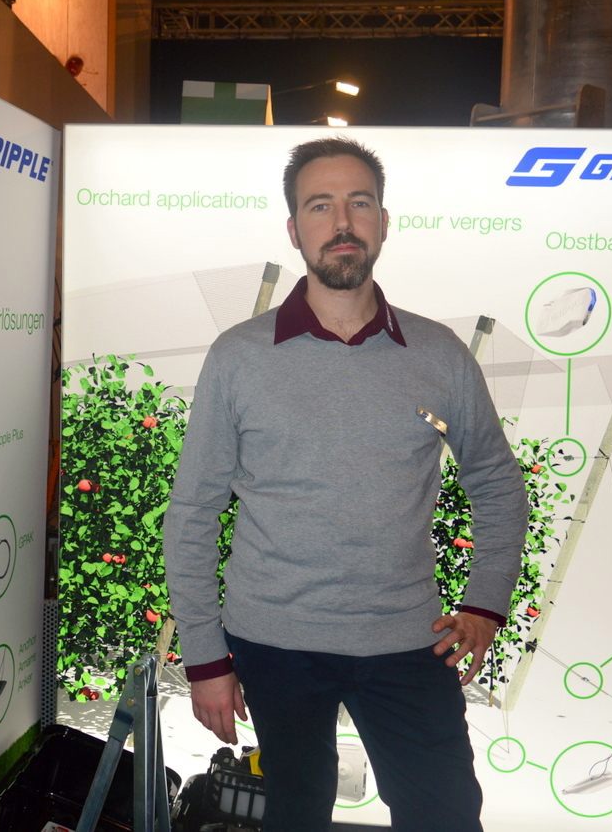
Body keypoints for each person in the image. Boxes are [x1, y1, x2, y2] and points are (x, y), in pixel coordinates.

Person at [162, 136, 528, 832]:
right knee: (295, 816)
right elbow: (193, 513)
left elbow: (497, 484)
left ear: (382, 222)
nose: (342, 223)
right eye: (320, 206)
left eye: (359, 203)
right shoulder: (239, 357)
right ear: (294, 229)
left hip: (407, 637)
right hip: (274, 641)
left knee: (445, 815)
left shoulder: (438, 354)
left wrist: (485, 603)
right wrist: (206, 658)